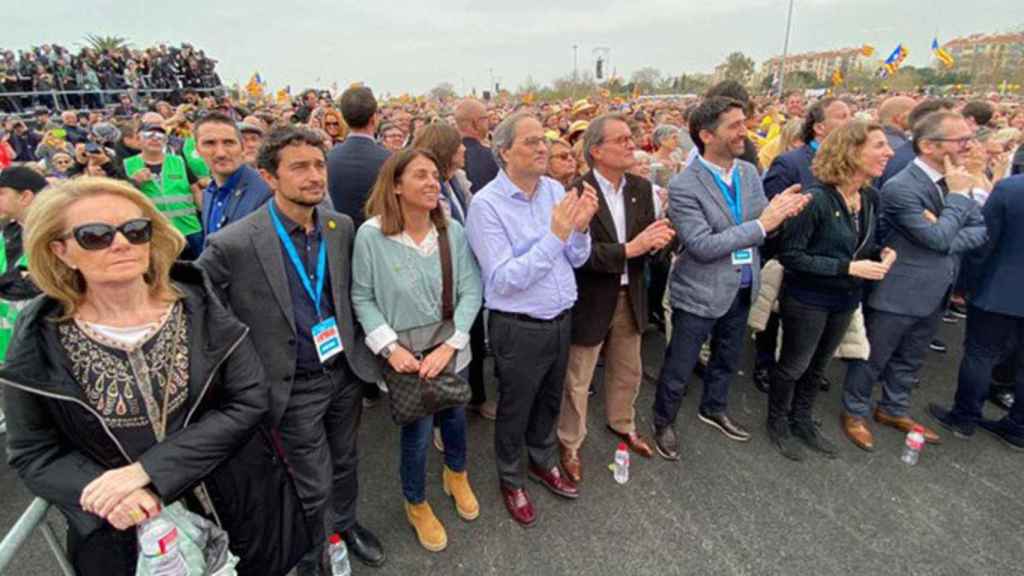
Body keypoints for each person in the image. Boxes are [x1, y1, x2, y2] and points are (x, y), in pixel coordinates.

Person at [0, 177, 271, 575]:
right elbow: (34, 453)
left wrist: (148, 473)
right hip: (121, 533)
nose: (121, 243)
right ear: (61, 250)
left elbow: (248, 400)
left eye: (135, 230)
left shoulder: (200, 302)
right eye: (95, 235)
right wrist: (103, 493)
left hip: (231, 505)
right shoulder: (37, 338)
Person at [197, 126, 385, 574]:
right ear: (268, 176)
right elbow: (201, 306)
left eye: (319, 165)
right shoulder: (235, 242)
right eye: (299, 167)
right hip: (291, 383)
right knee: (312, 478)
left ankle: (345, 526)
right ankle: (315, 551)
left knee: (345, 461)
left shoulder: (341, 228)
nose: (314, 176)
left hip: (343, 373)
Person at [651, 97, 809, 461]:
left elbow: (760, 229)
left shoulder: (749, 173)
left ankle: (714, 406)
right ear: (706, 135)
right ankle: (664, 420)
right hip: (701, 289)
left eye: (744, 122)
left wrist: (777, 215)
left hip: (743, 282)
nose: (745, 131)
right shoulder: (684, 185)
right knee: (680, 362)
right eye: (734, 126)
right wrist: (762, 223)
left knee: (728, 355)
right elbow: (703, 245)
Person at [465, 112, 599, 526]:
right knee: (515, 407)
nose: (543, 148)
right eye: (530, 142)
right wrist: (556, 236)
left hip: (560, 317)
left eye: (543, 139)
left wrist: (579, 230)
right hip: (518, 326)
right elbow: (503, 280)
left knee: (549, 400)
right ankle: (511, 477)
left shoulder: (554, 189)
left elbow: (577, 258)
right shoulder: (485, 206)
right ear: (504, 152)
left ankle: (542, 460)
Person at [351, 148, 483, 552]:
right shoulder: (371, 235)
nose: (432, 183)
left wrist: (453, 343)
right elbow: (362, 296)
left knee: (456, 414)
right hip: (404, 355)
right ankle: (416, 502)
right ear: (395, 185)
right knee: (418, 430)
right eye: (420, 175)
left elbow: (471, 289)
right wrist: (389, 348)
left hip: (449, 345)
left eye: (434, 175)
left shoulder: (452, 231)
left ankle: (456, 473)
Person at [840, 111, 987, 451]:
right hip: (899, 291)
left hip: (937, 289)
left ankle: (893, 407)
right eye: (960, 140)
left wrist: (945, 229)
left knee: (911, 356)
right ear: (929, 145)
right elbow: (935, 239)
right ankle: (855, 410)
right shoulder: (902, 187)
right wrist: (957, 204)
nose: (969, 145)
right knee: (873, 356)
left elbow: (979, 231)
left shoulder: (956, 181)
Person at [768, 120, 896, 461]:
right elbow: (791, 256)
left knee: (820, 365)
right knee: (794, 365)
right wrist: (847, 268)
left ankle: (803, 419)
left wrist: (882, 253)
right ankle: (778, 421)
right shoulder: (815, 200)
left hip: (845, 299)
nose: (890, 152)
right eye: (879, 145)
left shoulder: (870, 197)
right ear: (851, 151)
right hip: (808, 299)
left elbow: (862, 244)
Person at [557, 114, 675, 482]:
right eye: (621, 139)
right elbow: (578, 255)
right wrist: (630, 249)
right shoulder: (576, 193)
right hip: (591, 298)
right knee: (578, 377)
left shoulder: (642, 189)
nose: (632, 144)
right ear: (596, 150)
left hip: (632, 293)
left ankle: (622, 422)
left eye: (631, 137)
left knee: (628, 368)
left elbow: (649, 245)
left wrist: (659, 244)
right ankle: (570, 442)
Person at [754, 97, 852, 393]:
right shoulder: (792, 162)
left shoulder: (850, 167)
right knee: (773, 312)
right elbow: (771, 210)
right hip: (788, 256)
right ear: (820, 127)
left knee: (811, 326)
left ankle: (804, 365)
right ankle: (765, 363)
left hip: (829, 261)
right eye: (842, 115)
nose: (851, 120)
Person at [927, 174, 1024, 449]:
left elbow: (984, 242)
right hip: (1003, 288)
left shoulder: (1011, 188)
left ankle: (964, 416)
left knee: (980, 352)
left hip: (999, 289)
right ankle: (1018, 428)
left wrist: (965, 284)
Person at [121, 123, 204, 259]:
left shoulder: (178, 161)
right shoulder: (127, 165)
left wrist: (204, 216)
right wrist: (134, 181)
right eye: (149, 135)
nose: (155, 139)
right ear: (139, 139)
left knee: (201, 269)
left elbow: (195, 189)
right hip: (156, 232)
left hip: (190, 229)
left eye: (160, 136)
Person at [195, 111, 272, 242]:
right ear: (197, 150)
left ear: (242, 147)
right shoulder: (209, 193)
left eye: (228, 143)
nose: (221, 153)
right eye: (209, 143)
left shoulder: (266, 192)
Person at [327, 85, 390, 230]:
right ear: (374, 118)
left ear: (343, 118)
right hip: (380, 241)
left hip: (338, 240)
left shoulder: (328, 158)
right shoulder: (390, 160)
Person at [0, 166, 47, 357]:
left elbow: (33, 283)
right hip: (8, 341)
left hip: (36, 345)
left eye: (1, 194)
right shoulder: (11, 230)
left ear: (25, 197)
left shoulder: (54, 233)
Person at [455, 98, 500, 193]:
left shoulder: (449, 155)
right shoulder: (491, 156)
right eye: (485, 118)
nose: (488, 122)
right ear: (475, 123)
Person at [649, 124, 682, 189]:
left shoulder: (676, 156)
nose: (677, 141)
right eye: (674, 138)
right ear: (662, 141)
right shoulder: (652, 160)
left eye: (677, 137)